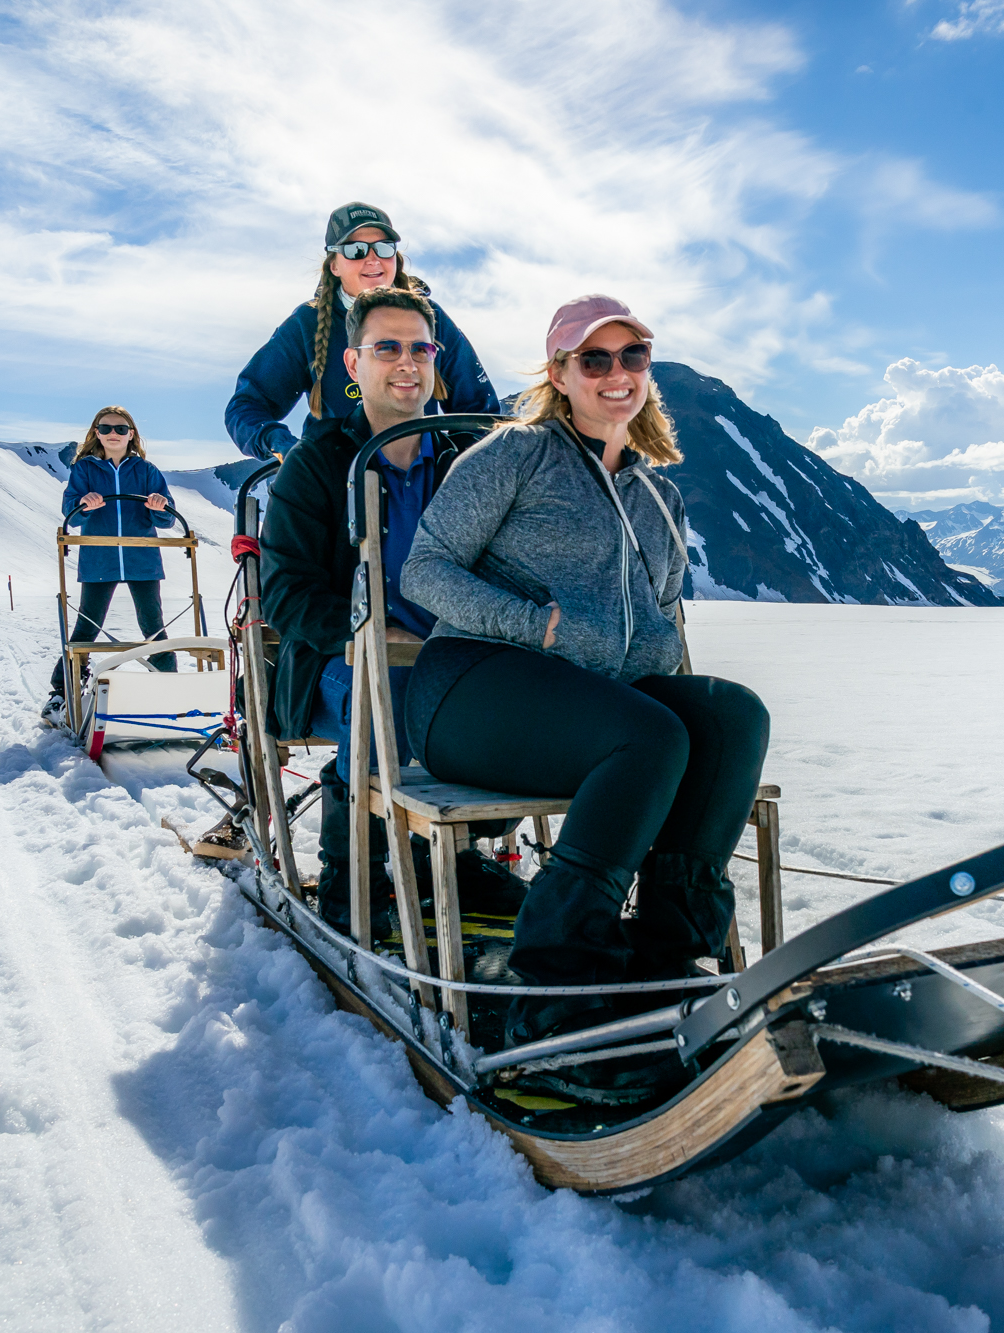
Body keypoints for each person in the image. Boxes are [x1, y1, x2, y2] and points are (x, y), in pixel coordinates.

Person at [401, 295, 770, 1104]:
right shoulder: (516, 455)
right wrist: (531, 624)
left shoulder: (656, 497)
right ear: (560, 374)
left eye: (630, 357)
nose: (614, 375)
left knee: (733, 716)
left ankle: (664, 962)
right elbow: (423, 570)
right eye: (592, 360)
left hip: (587, 697)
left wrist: (659, 668)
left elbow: (661, 614)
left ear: (647, 372)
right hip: (469, 687)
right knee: (649, 737)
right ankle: (555, 995)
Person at [259, 285, 523, 928]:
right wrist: (366, 625)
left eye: (420, 348)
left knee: (518, 709)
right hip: (337, 658)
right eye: (387, 348)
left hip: (452, 657)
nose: (407, 362)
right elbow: (284, 588)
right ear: (354, 365)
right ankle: (356, 874)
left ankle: (452, 855)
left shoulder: (467, 463)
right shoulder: (317, 464)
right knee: (384, 697)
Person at [225, 201, 501, 461]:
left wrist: (452, 470)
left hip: (418, 482)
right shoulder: (306, 323)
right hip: (332, 489)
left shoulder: (431, 319)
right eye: (356, 250)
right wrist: (283, 445)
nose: (372, 259)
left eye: (383, 248)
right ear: (334, 265)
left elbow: (480, 413)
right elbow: (246, 408)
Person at [46, 406, 177, 716]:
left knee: (153, 626)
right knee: (87, 628)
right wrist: (82, 503)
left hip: (140, 558)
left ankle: (171, 690)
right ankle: (62, 693)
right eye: (106, 429)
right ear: (96, 434)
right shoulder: (85, 470)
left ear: (131, 434)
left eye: (120, 429)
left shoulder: (146, 471)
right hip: (99, 558)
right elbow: (71, 512)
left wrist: (160, 505)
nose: (113, 434)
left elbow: (167, 519)